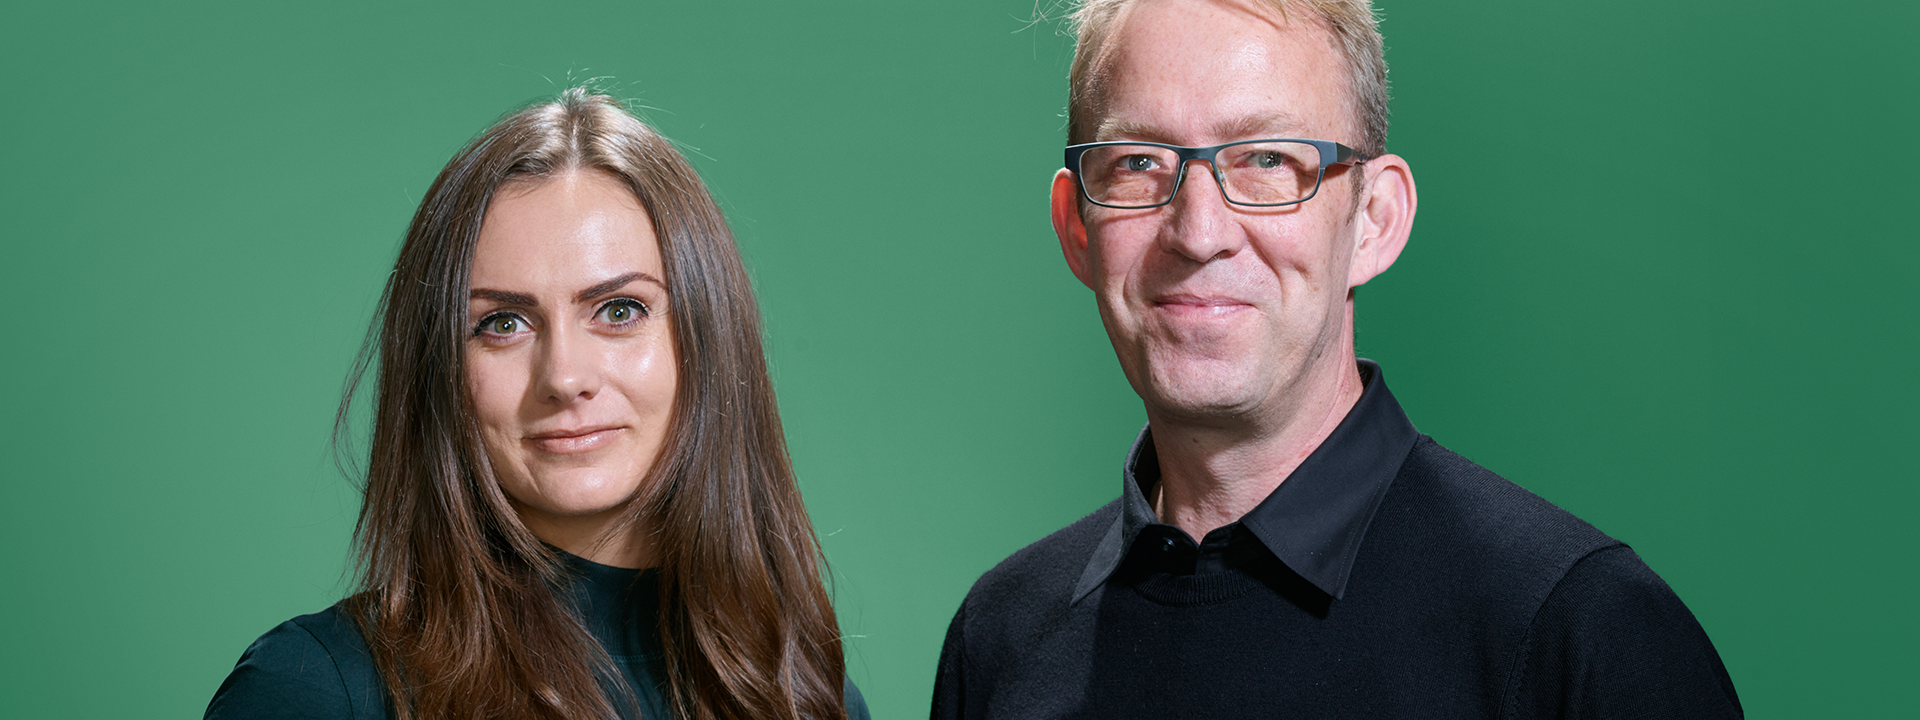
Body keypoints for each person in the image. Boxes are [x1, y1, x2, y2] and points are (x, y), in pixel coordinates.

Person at [931, 1, 1742, 717]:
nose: (1199, 231)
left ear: (1375, 220)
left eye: (1267, 161)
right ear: (1077, 226)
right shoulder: (1001, 640)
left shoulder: (1580, 632)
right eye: (1140, 163)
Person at [205, 88, 869, 720]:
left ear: (705, 342)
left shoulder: (803, 690)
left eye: (619, 310)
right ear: (439, 372)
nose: (565, 376)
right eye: (503, 323)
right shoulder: (318, 690)